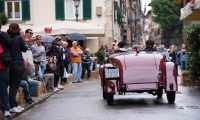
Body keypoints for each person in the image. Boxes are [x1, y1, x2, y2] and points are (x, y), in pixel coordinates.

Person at [7, 23, 28, 113]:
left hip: (9, 64)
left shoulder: (7, 38)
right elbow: (24, 49)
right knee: (15, 86)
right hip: (18, 63)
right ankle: (12, 106)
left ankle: (14, 104)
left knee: (12, 85)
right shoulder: (19, 38)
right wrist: (25, 43)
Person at [0, 22, 14, 118]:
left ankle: (5, 109)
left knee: (3, 89)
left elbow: (11, 43)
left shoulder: (2, 35)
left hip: (2, 67)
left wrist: (1, 35)